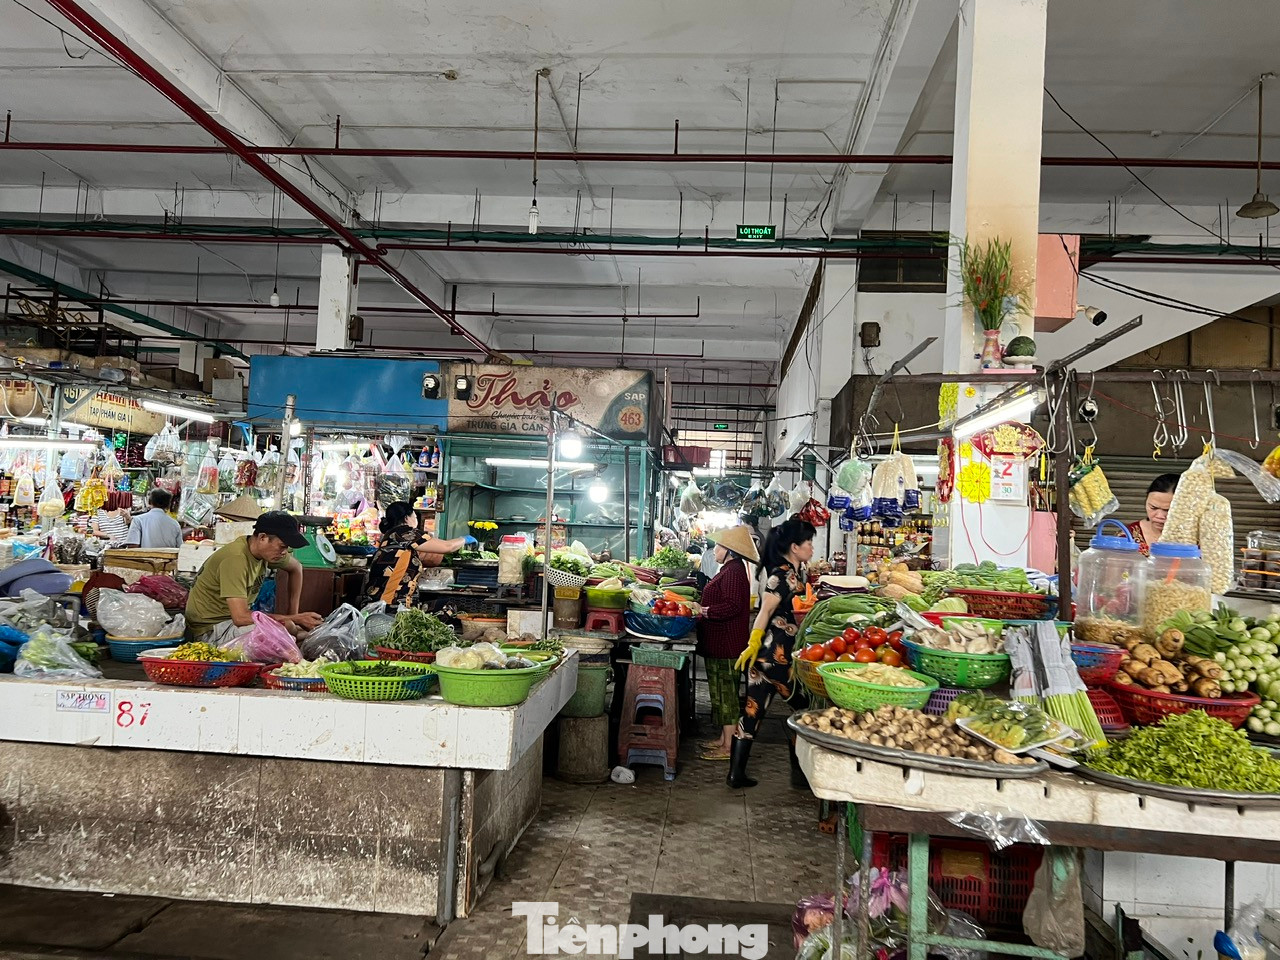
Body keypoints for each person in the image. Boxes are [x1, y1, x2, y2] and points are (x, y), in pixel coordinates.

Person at [727, 516, 816, 790]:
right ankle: (800, 775)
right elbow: (765, 610)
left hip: (764, 660)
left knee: (751, 714)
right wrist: (753, 640)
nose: (812, 547)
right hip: (777, 658)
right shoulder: (782, 575)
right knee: (805, 710)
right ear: (794, 546)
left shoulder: (792, 572)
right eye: (808, 542)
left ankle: (735, 775)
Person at [184, 511, 322, 644]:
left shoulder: (264, 551)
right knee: (284, 628)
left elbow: (296, 568)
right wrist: (295, 619)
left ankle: (298, 635)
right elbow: (240, 617)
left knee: (289, 628)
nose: (284, 552)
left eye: (287, 548)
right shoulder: (236, 559)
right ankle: (297, 635)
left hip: (230, 622)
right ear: (262, 538)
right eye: (281, 546)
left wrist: (293, 614)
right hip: (210, 631)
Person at [696, 525, 759, 762]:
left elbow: (732, 606)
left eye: (718, 546)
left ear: (729, 550)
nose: (714, 551)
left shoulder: (733, 572)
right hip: (721, 644)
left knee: (727, 696)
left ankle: (728, 747)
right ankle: (724, 740)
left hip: (727, 645)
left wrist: (705, 610)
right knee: (721, 695)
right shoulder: (731, 569)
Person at [364, 501, 475, 609]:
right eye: (415, 517)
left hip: (376, 603)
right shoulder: (406, 533)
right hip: (394, 605)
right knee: (450, 606)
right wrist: (464, 539)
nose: (416, 520)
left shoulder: (388, 538)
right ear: (407, 518)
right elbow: (447, 547)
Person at [1126, 473, 1180, 556]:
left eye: (1168, 510)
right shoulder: (1127, 536)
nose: (1159, 516)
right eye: (1153, 508)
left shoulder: (1200, 539)